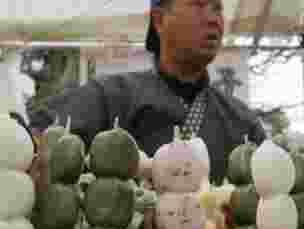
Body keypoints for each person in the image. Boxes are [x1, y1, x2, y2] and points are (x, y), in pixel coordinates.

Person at [28, 0, 267, 186]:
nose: (214, 19)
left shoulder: (243, 123)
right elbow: (38, 136)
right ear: (159, 20)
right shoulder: (111, 96)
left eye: (218, 8)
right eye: (198, 4)